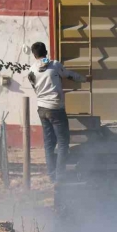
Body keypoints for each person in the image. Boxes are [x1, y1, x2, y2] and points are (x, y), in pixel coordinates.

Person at [27, 42, 88, 183]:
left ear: (34, 55)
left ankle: (52, 175)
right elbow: (69, 75)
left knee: (49, 143)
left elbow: (35, 87)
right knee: (62, 143)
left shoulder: (31, 71)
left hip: (42, 109)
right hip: (56, 109)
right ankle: (60, 176)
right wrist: (85, 78)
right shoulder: (55, 65)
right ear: (46, 51)